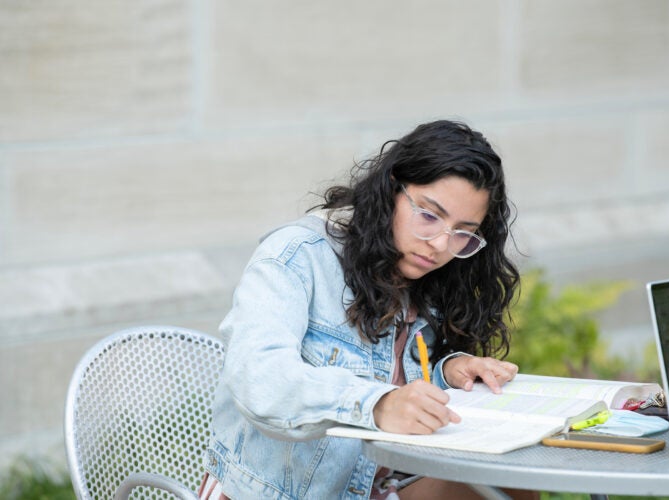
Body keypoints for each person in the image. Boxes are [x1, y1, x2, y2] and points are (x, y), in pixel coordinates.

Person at [200, 120, 529, 499]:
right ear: (391, 189)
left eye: (462, 232)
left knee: (512, 487)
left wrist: (448, 373)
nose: (440, 244)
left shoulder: (424, 275)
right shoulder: (295, 256)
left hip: (370, 489)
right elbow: (262, 381)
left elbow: (388, 375)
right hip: (274, 494)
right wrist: (376, 404)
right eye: (429, 215)